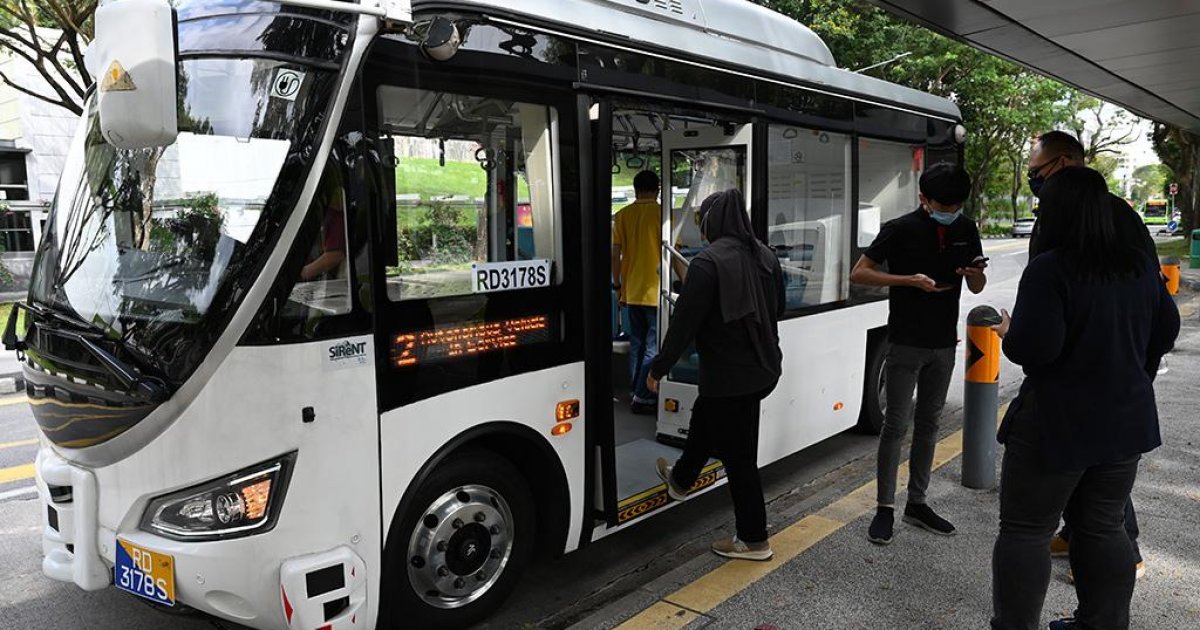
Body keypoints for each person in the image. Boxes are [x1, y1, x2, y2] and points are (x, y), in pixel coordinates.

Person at [990, 167, 1179, 630]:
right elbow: (1167, 328)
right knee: (1103, 525)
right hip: (1125, 419)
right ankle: (1103, 623)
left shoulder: (1051, 268)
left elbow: (1038, 350)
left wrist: (1010, 333)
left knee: (1026, 530)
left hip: (1058, 423)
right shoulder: (1136, 264)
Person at [1026, 130, 1148, 573]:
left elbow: (1153, 310)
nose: (1033, 180)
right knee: (1095, 485)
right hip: (1097, 385)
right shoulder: (1058, 219)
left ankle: (1117, 554)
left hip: (1089, 386)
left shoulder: (1113, 218)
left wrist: (1130, 364)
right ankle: (1081, 540)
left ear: (1061, 165)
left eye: (1036, 171)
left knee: (1094, 501)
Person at [849, 163, 986, 545]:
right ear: (923, 199)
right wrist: (908, 280)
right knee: (896, 425)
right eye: (943, 204)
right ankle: (884, 508)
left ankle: (917, 503)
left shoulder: (966, 228)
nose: (951, 210)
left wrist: (973, 272)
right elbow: (859, 274)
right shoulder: (899, 228)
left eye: (957, 204)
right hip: (905, 342)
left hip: (944, 344)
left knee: (930, 425)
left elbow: (977, 286)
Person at [647, 189, 784, 561]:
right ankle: (681, 480)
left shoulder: (707, 264)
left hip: (730, 375)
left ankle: (754, 539)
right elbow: (779, 309)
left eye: (700, 221)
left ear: (711, 222)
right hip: (763, 368)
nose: (700, 229)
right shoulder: (765, 256)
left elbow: (684, 324)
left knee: (739, 460)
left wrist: (659, 367)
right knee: (705, 412)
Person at [612, 171, 663, 415]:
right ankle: (643, 396)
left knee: (637, 343)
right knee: (653, 346)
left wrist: (617, 284)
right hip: (655, 292)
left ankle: (635, 390)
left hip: (631, 290)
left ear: (635, 189)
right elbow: (671, 255)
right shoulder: (663, 215)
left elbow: (616, 254)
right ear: (658, 189)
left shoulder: (623, 216)